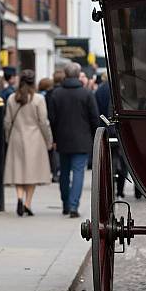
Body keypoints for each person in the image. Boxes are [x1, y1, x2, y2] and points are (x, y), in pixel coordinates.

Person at [49, 62, 99, 217]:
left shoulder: (56, 94)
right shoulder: (86, 94)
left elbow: (52, 119)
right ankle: (73, 206)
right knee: (78, 172)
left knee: (64, 172)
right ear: (78, 75)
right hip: (82, 139)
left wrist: (55, 137)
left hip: (63, 139)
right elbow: (94, 119)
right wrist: (93, 136)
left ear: (65, 74)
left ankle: (65, 203)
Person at [3, 69, 53, 215]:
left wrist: (8, 137)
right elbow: (43, 122)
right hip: (34, 138)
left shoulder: (12, 98)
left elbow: (7, 121)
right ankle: (27, 203)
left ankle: (19, 198)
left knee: (18, 170)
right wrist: (48, 139)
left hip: (16, 137)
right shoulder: (38, 99)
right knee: (32, 173)